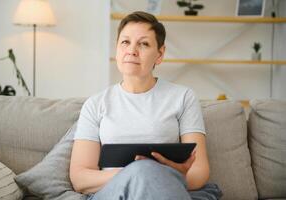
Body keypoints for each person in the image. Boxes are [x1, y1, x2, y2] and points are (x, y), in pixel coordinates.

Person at [70, 11, 222, 200]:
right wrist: (139, 173)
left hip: (168, 189)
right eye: (125, 42)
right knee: (144, 172)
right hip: (114, 193)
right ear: (116, 49)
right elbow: (80, 178)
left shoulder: (183, 97)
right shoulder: (95, 104)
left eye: (143, 44)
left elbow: (199, 171)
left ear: (160, 54)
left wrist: (160, 175)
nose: (132, 50)